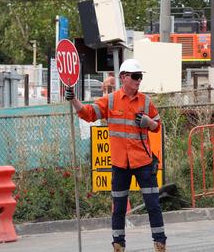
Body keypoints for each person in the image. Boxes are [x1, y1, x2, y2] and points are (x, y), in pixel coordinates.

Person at [66, 58, 166, 252]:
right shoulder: (111, 101)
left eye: (140, 77)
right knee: (119, 208)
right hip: (120, 164)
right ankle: (118, 246)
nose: (139, 81)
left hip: (144, 163)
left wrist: (148, 123)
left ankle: (160, 244)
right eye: (136, 77)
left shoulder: (146, 102)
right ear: (123, 78)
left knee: (153, 205)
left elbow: (157, 126)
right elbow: (88, 114)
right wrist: (73, 100)